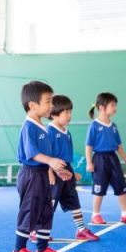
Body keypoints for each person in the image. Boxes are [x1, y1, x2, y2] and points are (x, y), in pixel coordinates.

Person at [11, 81, 71, 252]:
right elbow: (33, 153)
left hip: (43, 174)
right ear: (32, 105)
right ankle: (19, 249)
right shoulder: (29, 126)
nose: (51, 105)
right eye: (48, 101)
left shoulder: (42, 127)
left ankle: (42, 248)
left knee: (46, 210)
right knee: (30, 210)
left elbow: (47, 157)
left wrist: (56, 170)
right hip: (31, 174)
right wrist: (50, 161)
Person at [85, 92, 126, 225]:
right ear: (102, 107)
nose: (115, 108)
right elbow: (89, 146)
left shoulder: (114, 126)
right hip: (99, 160)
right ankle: (95, 215)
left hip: (113, 159)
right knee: (99, 188)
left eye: (115, 105)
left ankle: (125, 214)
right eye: (112, 105)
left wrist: (125, 158)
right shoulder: (94, 125)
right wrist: (89, 162)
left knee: (121, 186)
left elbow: (118, 145)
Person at [48, 95, 99, 240]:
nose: (70, 115)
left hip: (66, 170)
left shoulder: (67, 132)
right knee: (50, 202)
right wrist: (50, 172)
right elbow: (46, 156)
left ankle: (81, 229)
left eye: (70, 111)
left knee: (73, 199)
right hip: (54, 171)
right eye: (66, 112)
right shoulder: (49, 132)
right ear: (54, 113)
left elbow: (66, 156)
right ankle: (38, 230)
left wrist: (72, 171)